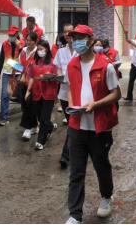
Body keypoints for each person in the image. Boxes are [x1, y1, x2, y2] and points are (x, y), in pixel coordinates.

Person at [65, 25, 121, 224]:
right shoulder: (72, 65)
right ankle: (75, 215)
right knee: (76, 171)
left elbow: (116, 93)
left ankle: (106, 196)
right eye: (74, 38)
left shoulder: (105, 66)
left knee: (101, 165)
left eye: (80, 38)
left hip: (99, 127)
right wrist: (72, 105)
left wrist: (95, 105)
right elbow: (70, 88)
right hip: (76, 126)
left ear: (90, 40)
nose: (76, 42)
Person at [26, 40, 59, 150]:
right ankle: (50, 127)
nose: (40, 51)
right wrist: (28, 90)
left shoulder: (53, 63)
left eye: (41, 49)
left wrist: (48, 79)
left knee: (44, 117)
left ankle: (41, 141)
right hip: (37, 92)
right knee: (39, 116)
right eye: (38, 49)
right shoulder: (34, 62)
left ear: (47, 50)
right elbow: (31, 77)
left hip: (49, 93)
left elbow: (57, 78)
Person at [54, 23, 77, 169]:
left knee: (73, 123)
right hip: (64, 93)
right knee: (71, 122)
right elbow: (58, 68)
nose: (67, 34)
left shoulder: (81, 51)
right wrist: (60, 77)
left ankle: (65, 155)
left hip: (78, 93)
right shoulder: (60, 51)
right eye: (65, 32)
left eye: (70, 31)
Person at [0, 25, 22, 127]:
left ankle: (27, 116)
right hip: (7, 72)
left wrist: (20, 47)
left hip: (19, 73)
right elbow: (1, 58)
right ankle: (4, 117)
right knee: (5, 95)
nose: (10, 36)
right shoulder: (5, 44)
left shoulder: (23, 43)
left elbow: (25, 57)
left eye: (12, 35)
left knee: (22, 96)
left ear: (17, 34)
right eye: (9, 35)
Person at [18, 31, 39, 140]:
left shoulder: (37, 52)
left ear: (35, 41)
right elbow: (19, 65)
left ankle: (27, 129)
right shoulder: (22, 51)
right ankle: (35, 126)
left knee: (29, 105)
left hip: (33, 82)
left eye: (31, 40)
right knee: (25, 104)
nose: (29, 42)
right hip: (23, 82)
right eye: (28, 40)